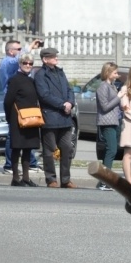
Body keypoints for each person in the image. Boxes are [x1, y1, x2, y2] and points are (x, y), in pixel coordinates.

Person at [34, 47, 77, 189]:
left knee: (67, 148)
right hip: (50, 117)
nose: (56, 59)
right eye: (53, 57)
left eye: (56, 56)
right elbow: (44, 95)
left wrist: (70, 102)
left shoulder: (60, 72)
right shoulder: (40, 75)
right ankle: (51, 179)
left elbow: (69, 89)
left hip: (65, 117)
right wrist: (61, 104)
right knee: (50, 150)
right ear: (45, 60)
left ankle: (66, 179)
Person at [0, 39, 42, 174]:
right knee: (13, 136)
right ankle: (9, 165)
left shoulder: (21, 71)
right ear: (11, 51)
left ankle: (31, 163)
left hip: (24, 103)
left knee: (28, 131)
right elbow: (19, 59)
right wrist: (29, 47)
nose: (21, 51)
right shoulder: (6, 62)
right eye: (19, 49)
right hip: (14, 103)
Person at [96, 62, 122, 191]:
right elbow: (105, 106)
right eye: (115, 73)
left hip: (114, 121)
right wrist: (119, 97)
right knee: (111, 150)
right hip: (106, 122)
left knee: (111, 150)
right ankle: (104, 181)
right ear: (108, 73)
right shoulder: (103, 87)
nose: (117, 75)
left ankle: (103, 180)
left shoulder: (112, 86)